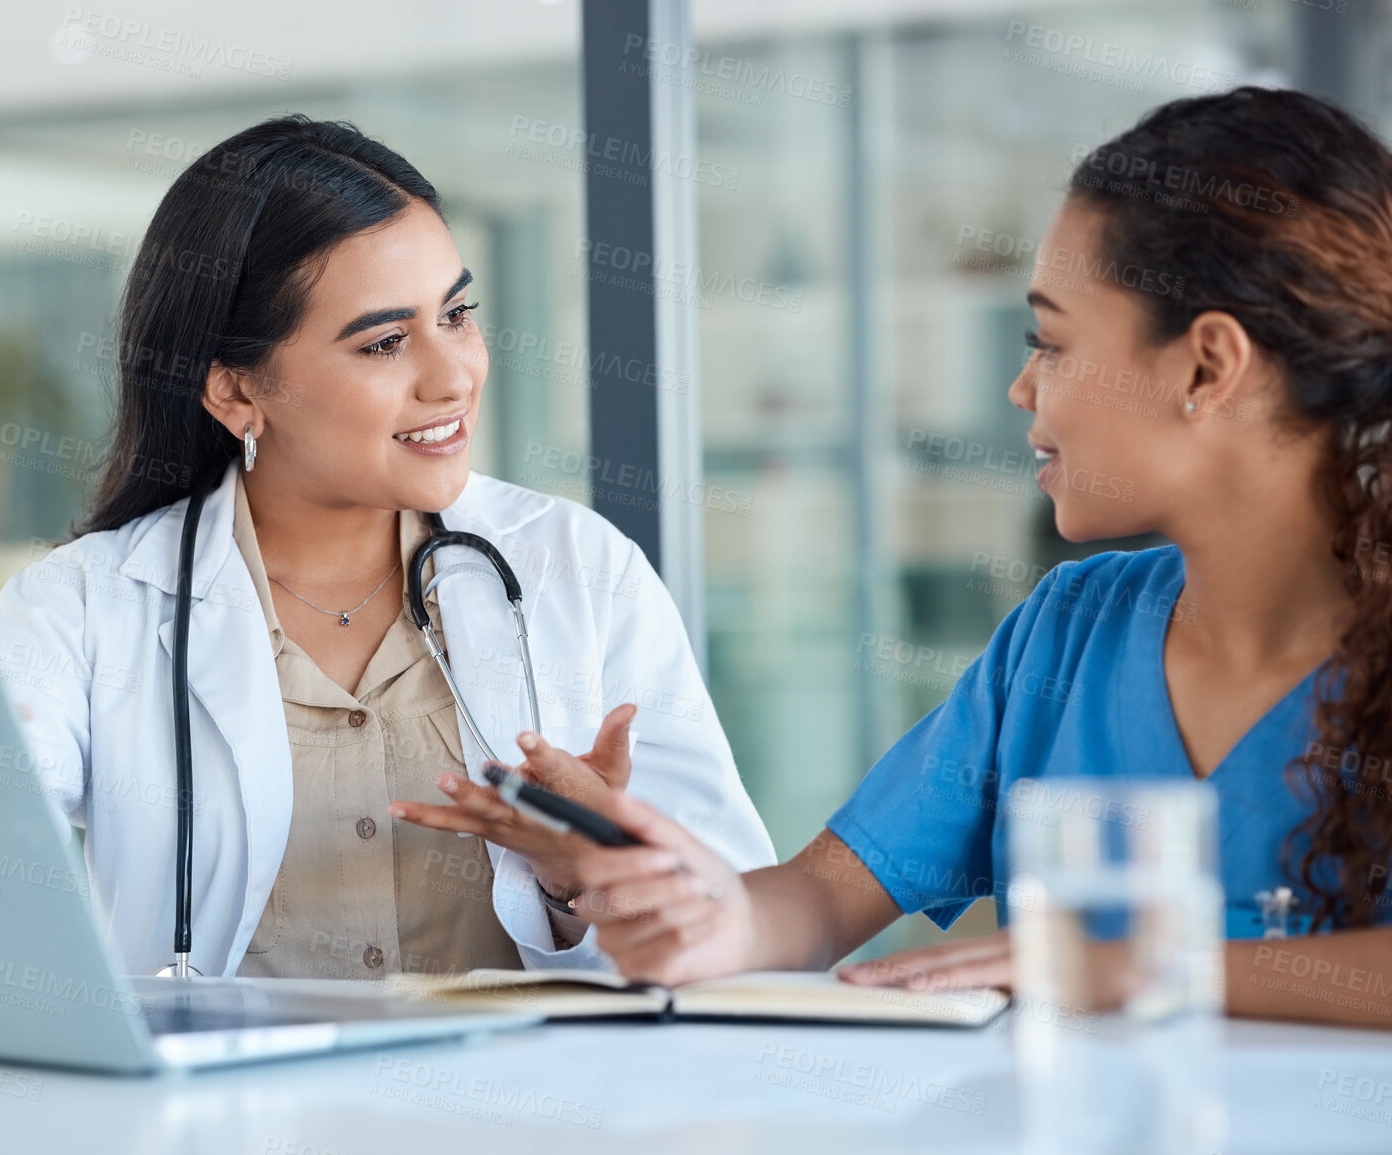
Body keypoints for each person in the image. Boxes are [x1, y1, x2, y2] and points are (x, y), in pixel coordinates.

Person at [529, 86, 1392, 1029]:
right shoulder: (1062, 639)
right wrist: (711, 912)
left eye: (1050, 342)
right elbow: (818, 901)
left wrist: (1133, 968)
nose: (1022, 386)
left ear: (1205, 366)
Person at [0, 115, 774, 979]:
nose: (453, 374)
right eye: (383, 343)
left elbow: (741, 929)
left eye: (456, 314)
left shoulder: (578, 568)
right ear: (235, 392)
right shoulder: (88, 605)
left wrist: (593, 869)